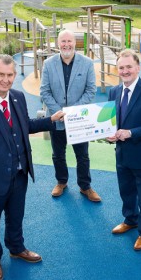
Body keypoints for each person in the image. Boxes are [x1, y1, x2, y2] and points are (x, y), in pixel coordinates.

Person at [0, 54, 65, 280]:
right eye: (1, 75)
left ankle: (17, 248)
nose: (6, 80)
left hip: (19, 175)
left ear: (15, 76)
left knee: (16, 217)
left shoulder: (17, 97)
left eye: (10, 75)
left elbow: (25, 125)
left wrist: (51, 119)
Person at [107, 49, 141, 251]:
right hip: (122, 155)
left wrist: (131, 133)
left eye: (129, 66)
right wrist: (108, 133)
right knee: (126, 192)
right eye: (121, 67)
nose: (125, 71)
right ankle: (130, 219)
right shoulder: (113, 92)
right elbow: (110, 122)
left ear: (138, 68)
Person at [40, 29, 101, 202]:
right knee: (57, 154)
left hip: (79, 119)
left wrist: (72, 112)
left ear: (75, 43)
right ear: (58, 44)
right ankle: (61, 181)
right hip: (55, 117)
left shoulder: (87, 63)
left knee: (82, 155)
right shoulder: (48, 64)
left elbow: (91, 90)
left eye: (69, 41)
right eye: (63, 41)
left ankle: (85, 186)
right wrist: (59, 111)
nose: (66, 44)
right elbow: (44, 91)